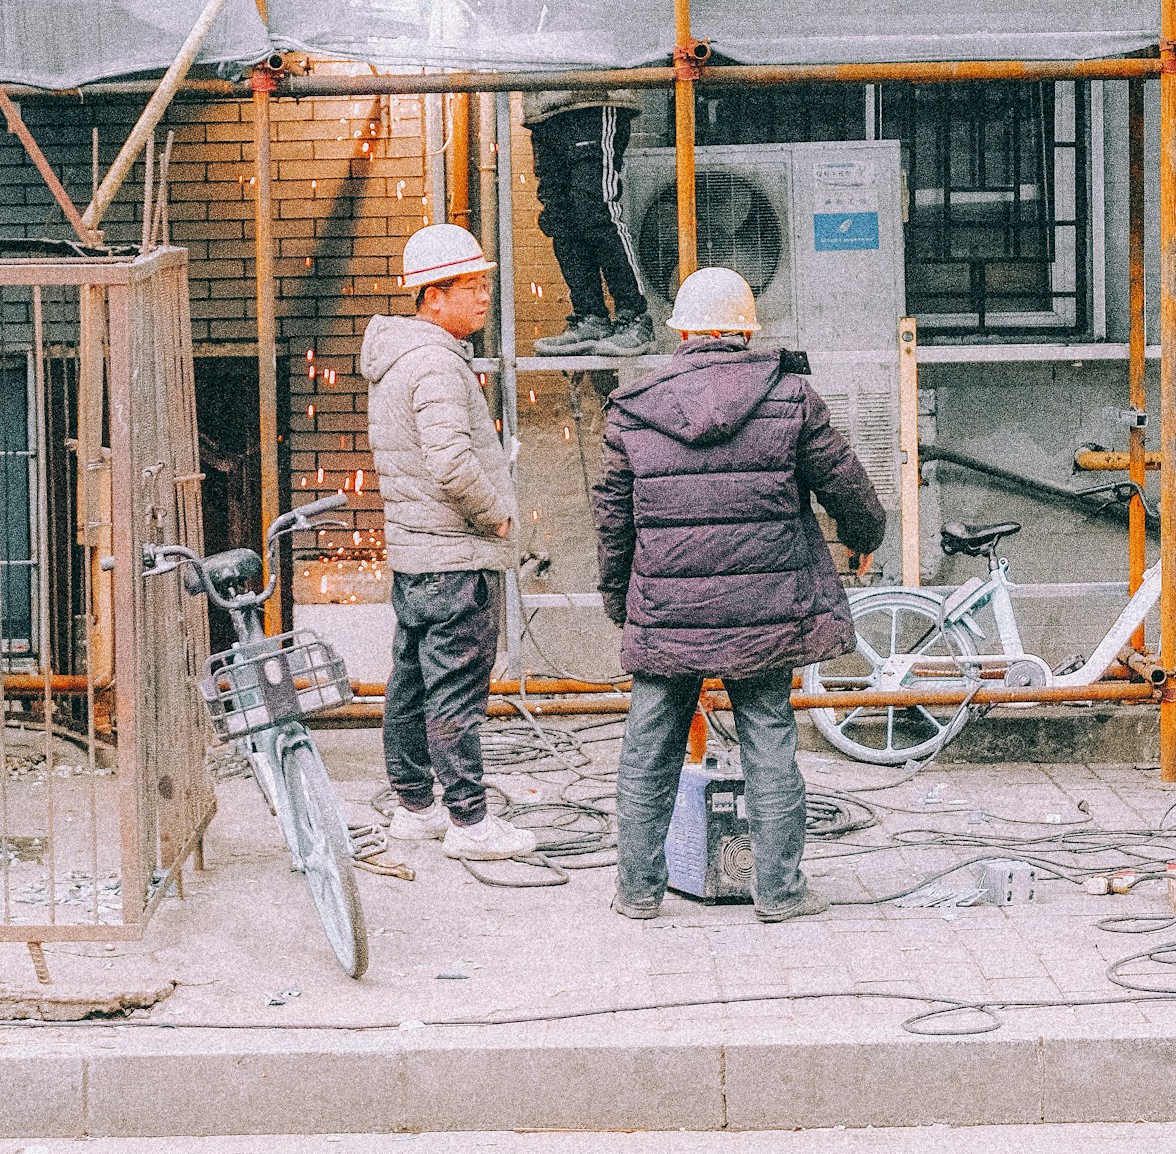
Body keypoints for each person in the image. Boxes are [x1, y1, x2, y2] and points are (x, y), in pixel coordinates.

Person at [593, 264, 887, 921]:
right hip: (766, 608)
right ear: (746, 330)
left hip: (668, 610)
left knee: (647, 750)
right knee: (770, 740)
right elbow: (847, 486)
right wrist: (864, 537)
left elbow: (612, 521)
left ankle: (637, 892)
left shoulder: (633, 409)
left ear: (683, 333)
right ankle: (779, 892)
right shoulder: (789, 395)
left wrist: (621, 601)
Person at [359, 223, 535, 862]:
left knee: (409, 686)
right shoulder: (435, 363)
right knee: (457, 692)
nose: (484, 297)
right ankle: (470, 822)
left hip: (416, 558)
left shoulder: (398, 359)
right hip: (456, 559)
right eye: (470, 287)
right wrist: (498, 518)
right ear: (432, 297)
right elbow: (452, 464)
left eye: (484, 284)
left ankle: (414, 807)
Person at [522, 84, 656, 357]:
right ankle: (590, 316)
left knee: (596, 211)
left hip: (593, 97)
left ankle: (635, 317)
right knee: (560, 218)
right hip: (544, 110)